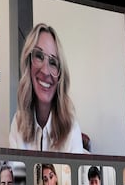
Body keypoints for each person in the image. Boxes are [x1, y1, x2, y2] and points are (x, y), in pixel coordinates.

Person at [9, 23, 84, 153]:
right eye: (38, 56)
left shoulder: (72, 129)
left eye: (53, 62)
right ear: (28, 63)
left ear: (60, 74)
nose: (45, 71)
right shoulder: (17, 123)